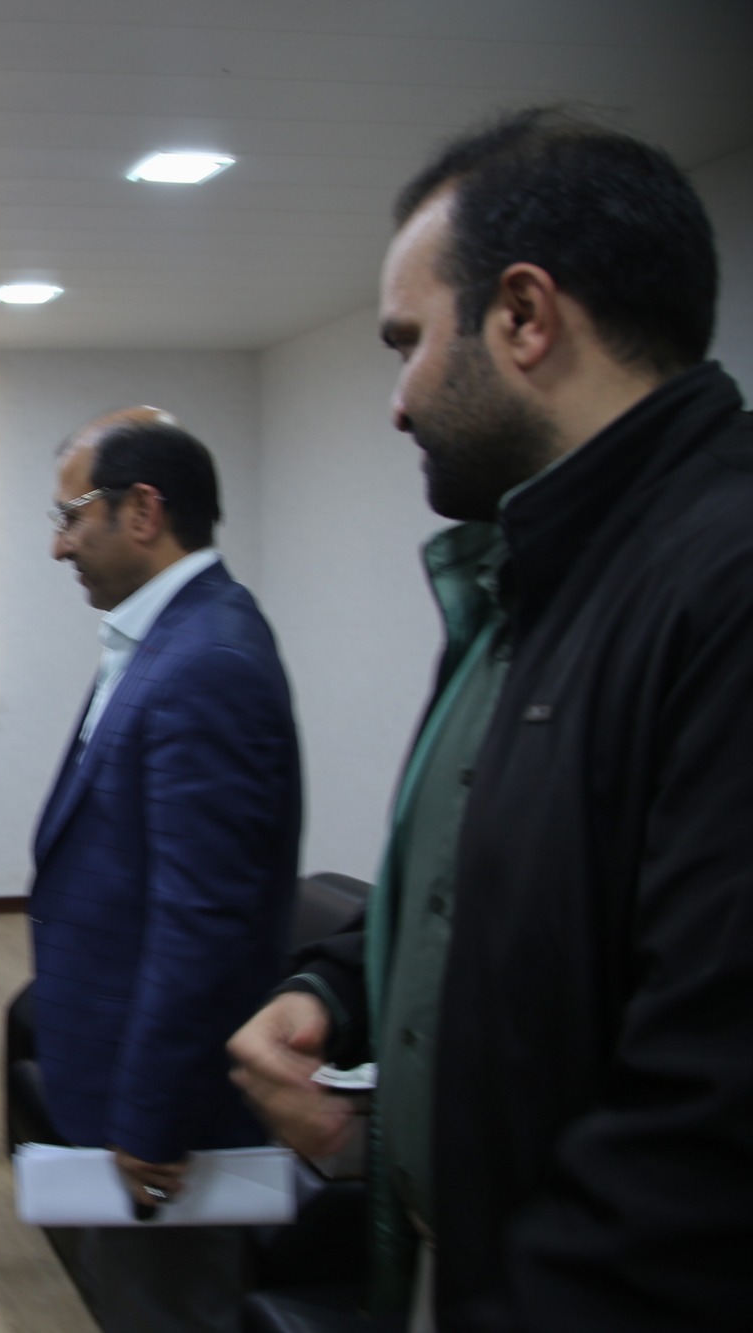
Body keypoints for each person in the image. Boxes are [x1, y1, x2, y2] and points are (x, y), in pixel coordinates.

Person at [229, 107, 753, 1330]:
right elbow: (486, 883)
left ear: (523, 316)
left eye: (406, 342)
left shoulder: (720, 584)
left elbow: (707, 1117)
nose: (395, 403)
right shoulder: (523, 575)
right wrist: (339, 988)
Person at [27, 409, 300, 1332]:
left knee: (167, 1306)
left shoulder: (207, 659)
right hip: (116, 1072)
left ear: (142, 511)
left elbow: (203, 926)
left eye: (70, 517)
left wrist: (151, 1117)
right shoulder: (165, 636)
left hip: (163, 1115)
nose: (59, 546)